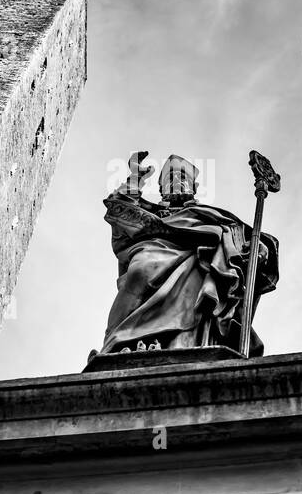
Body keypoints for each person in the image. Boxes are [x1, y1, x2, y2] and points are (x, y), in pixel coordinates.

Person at [99, 151, 278, 356]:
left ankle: (179, 342)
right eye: (171, 179)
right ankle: (116, 343)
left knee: (201, 270)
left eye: (183, 178)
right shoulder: (152, 212)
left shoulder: (207, 215)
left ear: (194, 188)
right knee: (140, 271)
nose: (177, 182)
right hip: (153, 247)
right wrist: (135, 178)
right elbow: (120, 210)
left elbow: (234, 234)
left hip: (198, 256)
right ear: (162, 189)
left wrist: (254, 246)